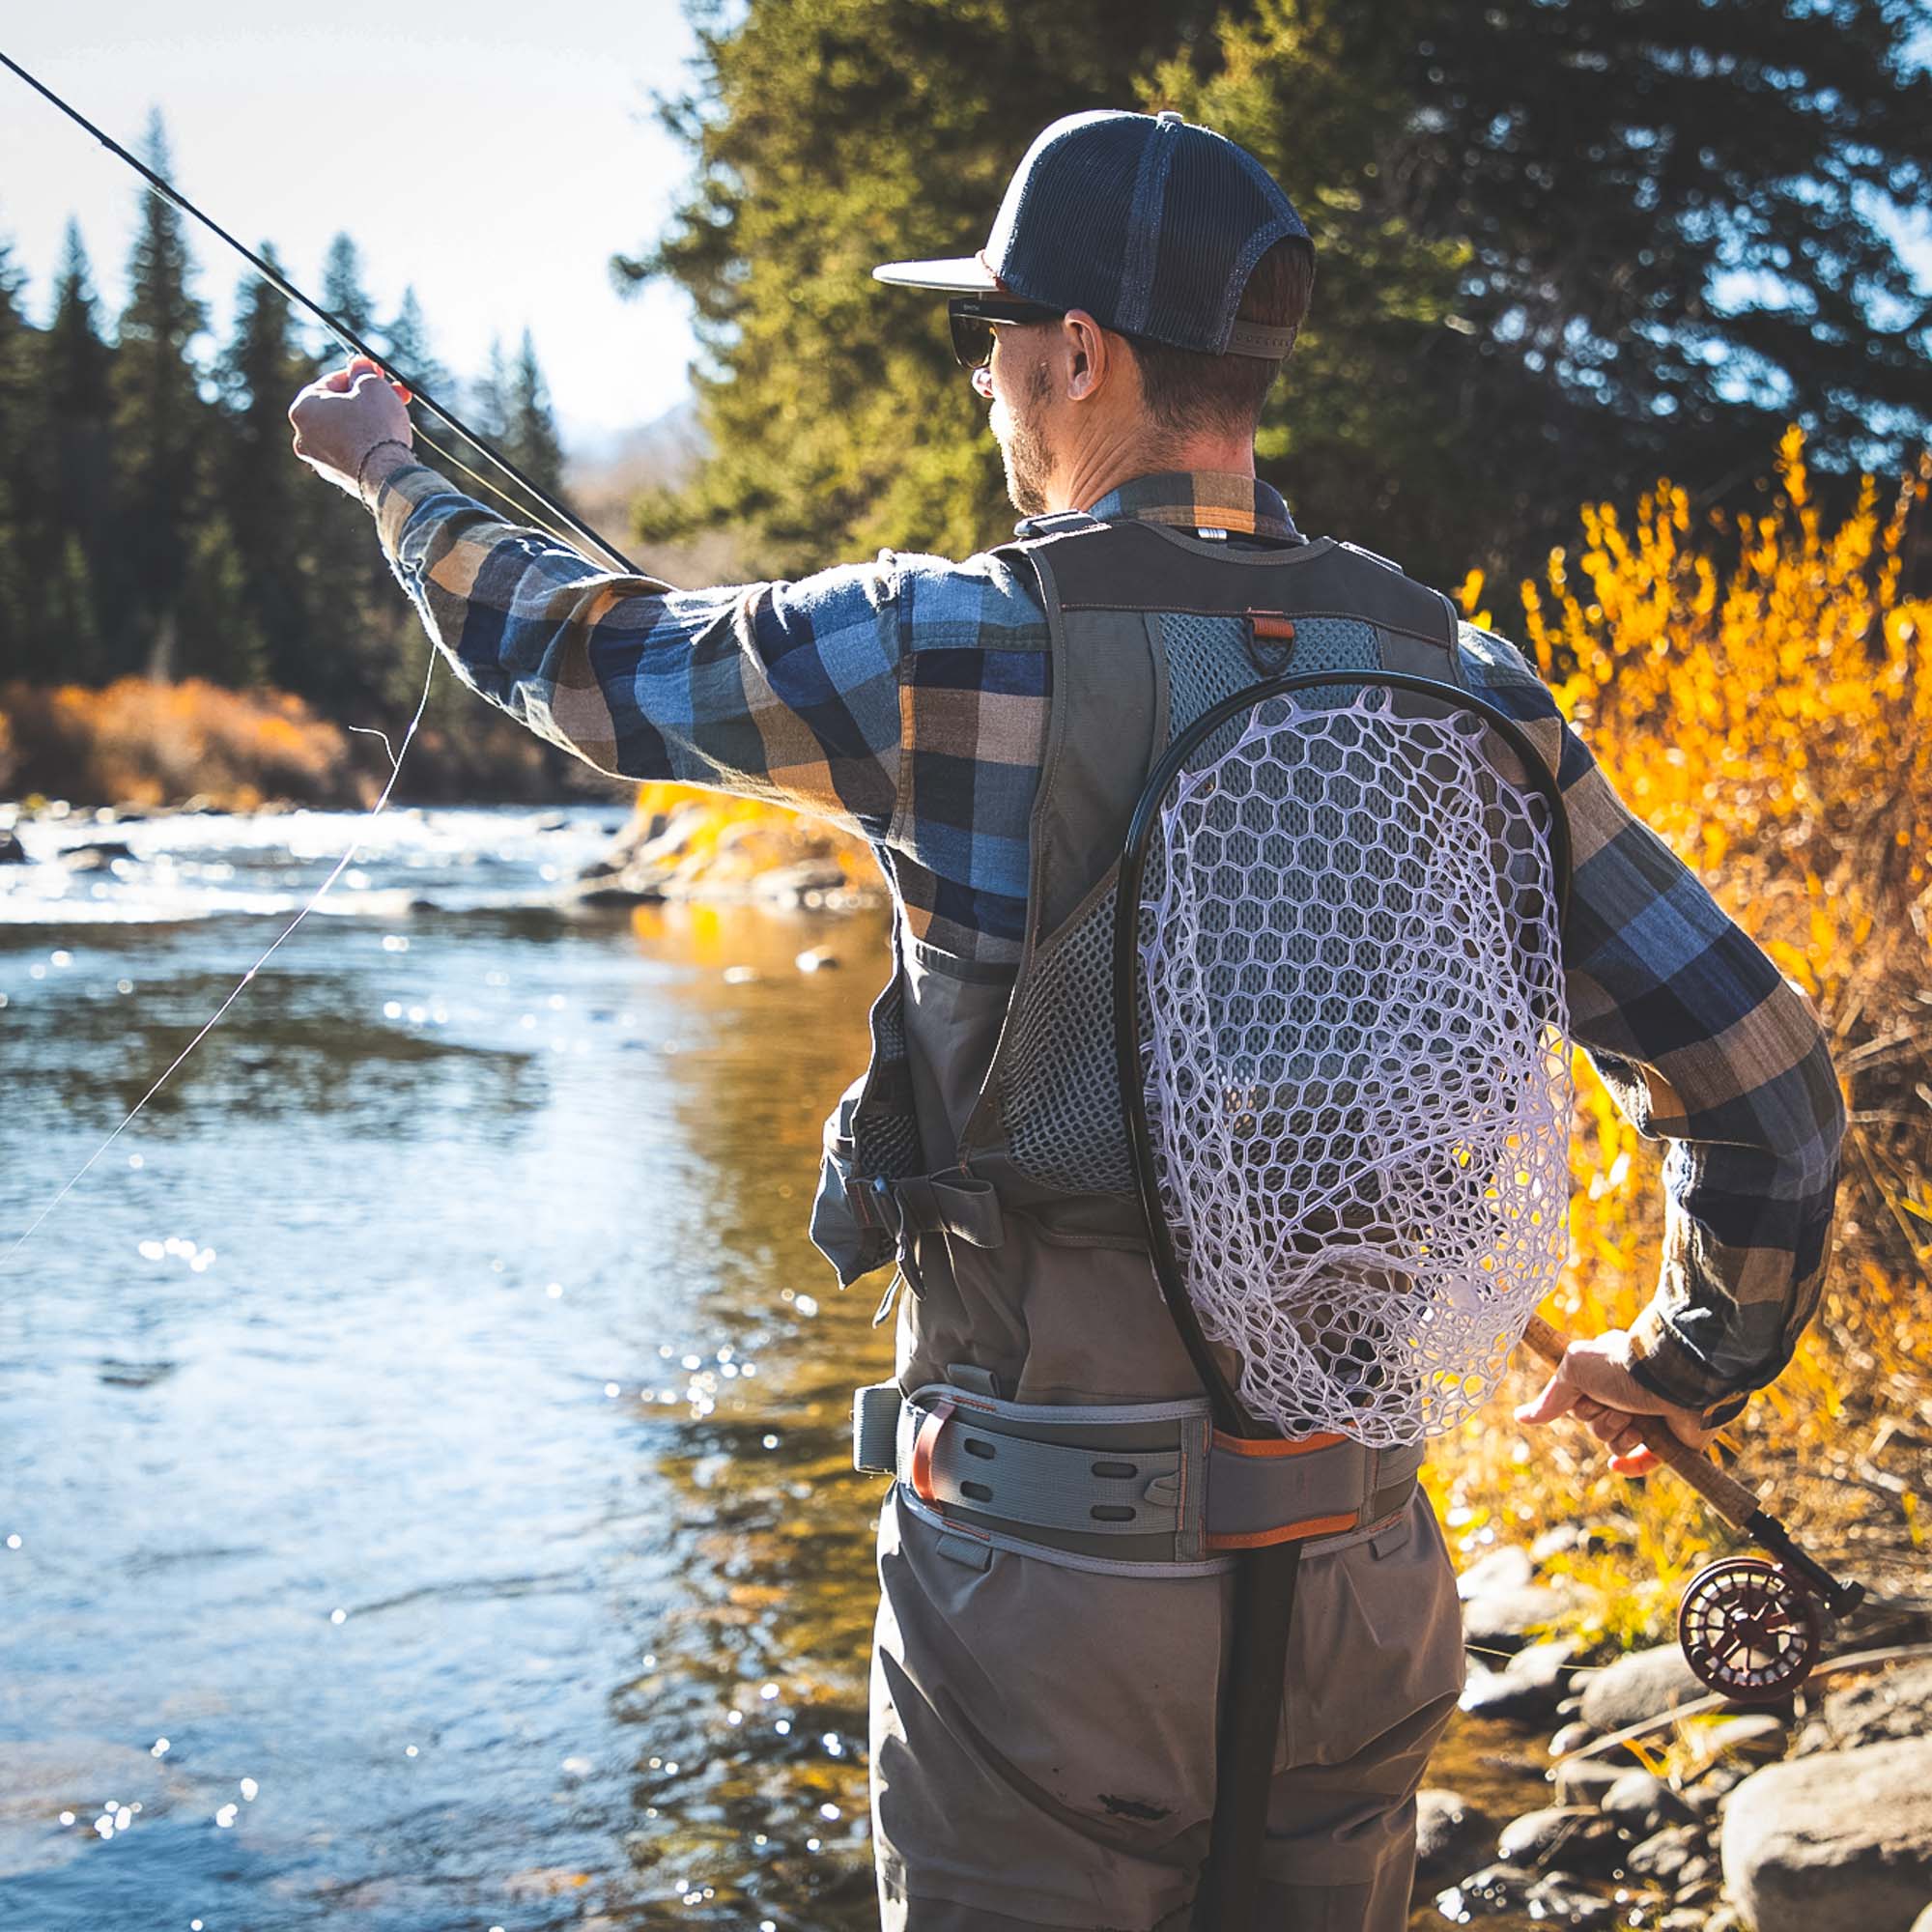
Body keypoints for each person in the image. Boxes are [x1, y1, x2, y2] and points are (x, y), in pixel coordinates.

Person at [289, 109, 1843, 1932]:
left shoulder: (949, 641)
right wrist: (1679, 1366)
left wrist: (393, 472)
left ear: (1080, 352)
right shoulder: (1464, 676)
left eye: (993, 338)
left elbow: (591, 663)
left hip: (1043, 1610)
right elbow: (1766, 1094)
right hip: (1360, 1588)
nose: (984, 384)